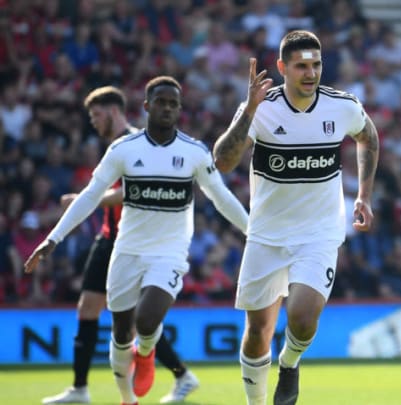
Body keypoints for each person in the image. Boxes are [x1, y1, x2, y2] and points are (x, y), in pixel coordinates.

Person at [25, 76, 250, 405]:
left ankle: (145, 354)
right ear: (147, 106)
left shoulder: (194, 153)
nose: (168, 108)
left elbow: (223, 198)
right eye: (161, 102)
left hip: (169, 253)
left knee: (146, 321)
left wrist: (254, 233)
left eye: (174, 104)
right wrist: (53, 239)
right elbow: (90, 196)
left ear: (180, 109)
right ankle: (127, 399)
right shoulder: (123, 150)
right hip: (125, 251)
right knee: (119, 334)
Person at [212, 30, 379, 405]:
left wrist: (364, 196)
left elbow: (368, 137)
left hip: (319, 234)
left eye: (316, 64)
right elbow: (221, 161)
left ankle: (289, 365)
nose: (311, 72)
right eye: (301, 65)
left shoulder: (342, 106)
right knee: (257, 332)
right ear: (282, 67)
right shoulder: (262, 107)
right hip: (266, 236)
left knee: (302, 318)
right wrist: (249, 109)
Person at [40, 85, 201, 404]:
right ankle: (80, 389)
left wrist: (90, 200)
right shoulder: (114, 146)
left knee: (135, 320)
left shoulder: (134, 143)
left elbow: (132, 191)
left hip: (132, 241)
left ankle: (180, 375)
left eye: (96, 114)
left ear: (114, 111)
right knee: (88, 309)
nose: (93, 122)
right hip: (108, 237)